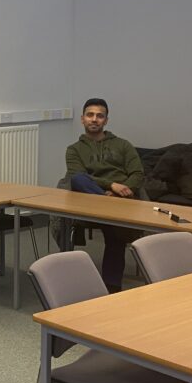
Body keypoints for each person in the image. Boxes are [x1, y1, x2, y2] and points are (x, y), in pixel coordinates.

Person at [64, 98, 144, 292]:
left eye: (100, 116)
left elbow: (138, 173)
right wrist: (111, 187)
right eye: (90, 115)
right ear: (82, 119)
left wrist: (124, 189)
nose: (94, 119)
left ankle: (112, 287)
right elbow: (78, 176)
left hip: (122, 200)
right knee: (78, 180)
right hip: (90, 201)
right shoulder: (74, 149)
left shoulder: (123, 145)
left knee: (113, 227)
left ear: (106, 121)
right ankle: (113, 283)